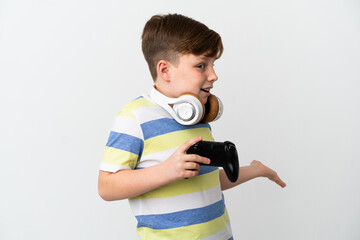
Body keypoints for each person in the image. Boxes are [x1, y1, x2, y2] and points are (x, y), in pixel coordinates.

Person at [98, 13, 286, 240]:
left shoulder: (198, 120)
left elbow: (205, 182)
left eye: (213, 65)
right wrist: (165, 172)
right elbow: (107, 186)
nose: (214, 75)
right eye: (201, 65)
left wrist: (255, 170)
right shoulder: (135, 117)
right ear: (165, 70)